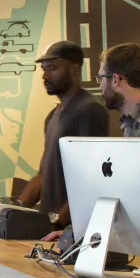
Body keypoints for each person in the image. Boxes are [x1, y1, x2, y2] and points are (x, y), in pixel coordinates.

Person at [16, 41, 110, 240]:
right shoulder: (53, 116)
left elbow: (95, 176)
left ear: (75, 69)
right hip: (50, 232)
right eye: (43, 69)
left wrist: (59, 219)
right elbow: (44, 174)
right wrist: (12, 209)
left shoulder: (89, 110)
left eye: (52, 68)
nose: (45, 75)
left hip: (71, 234)